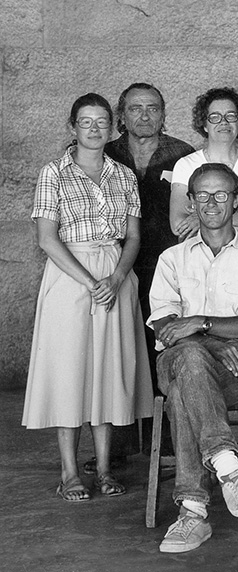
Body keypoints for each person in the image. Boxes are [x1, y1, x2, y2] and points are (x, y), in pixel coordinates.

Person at [23, 93, 153, 502]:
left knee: (109, 372)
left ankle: (103, 468)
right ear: (73, 126)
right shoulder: (53, 173)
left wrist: (116, 277)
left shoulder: (123, 175)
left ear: (112, 127)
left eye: (101, 122)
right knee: (69, 373)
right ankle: (69, 472)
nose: (95, 129)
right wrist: (88, 280)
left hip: (115, 273)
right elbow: (47, 238)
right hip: (69, 277)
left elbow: (132, 237)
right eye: (86, 122)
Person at [147, 164, 238, 553]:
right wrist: (215, 340)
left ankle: (191, 512)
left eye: (221, 194)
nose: (211, 202)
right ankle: (228, 467)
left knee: (187, 390)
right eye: (202, 194)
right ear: (190, 202)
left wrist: (202, 325)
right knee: (187, 357)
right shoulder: (172, 258)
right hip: (181, 357)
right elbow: (166, 326)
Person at [102, 82, 194, 465]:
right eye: (135, 108)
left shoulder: (182, 155)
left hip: (168, 264)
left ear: (163, 113)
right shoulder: (106, 154)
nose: (144, 115)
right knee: (119, 351)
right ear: (121, 115)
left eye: (152, 108)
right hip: (115, 265)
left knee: (165, 346)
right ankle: (119, 446)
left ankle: (173, 441)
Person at [169, 87, 238, 246]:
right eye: (215, 117)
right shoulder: (185, 165)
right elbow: (179, 225)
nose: (224, 122)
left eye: (231, 116)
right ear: (204, 124)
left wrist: (203, 219)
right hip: (200, 256)